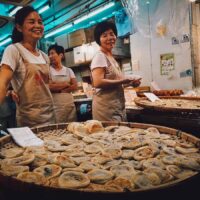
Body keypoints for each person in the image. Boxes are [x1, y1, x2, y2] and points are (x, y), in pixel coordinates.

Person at [0, 6, 55, 127]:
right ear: (19, 27)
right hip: (29, 120)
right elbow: (2, 83)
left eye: (40, 22)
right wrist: (9, 91)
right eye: (31, 22)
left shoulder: (45, 57)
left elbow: (44, 86)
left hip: (50, 116)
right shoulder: (14, 50)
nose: (37, 25)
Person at [90, 21, 141, 122]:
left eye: (112, 34)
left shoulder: (111, 58)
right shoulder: (100, 56)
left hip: (117, 106)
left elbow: (115, 84)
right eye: (104, 35)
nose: (109, 38)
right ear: (98, 40)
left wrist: (130, 83)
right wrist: (123, 81)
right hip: (106, 109)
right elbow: (98, 82)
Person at [48, 44, 77, 122]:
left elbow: (74, 86)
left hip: (69, 106)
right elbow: (49, 87)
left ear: (60, 55)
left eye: (52, 53)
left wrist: (59, 90)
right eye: (49, 54)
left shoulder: (69, 70)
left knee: (72, 127)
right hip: (56, 107)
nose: (50, 56)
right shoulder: (48, 70)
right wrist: (66, 84)